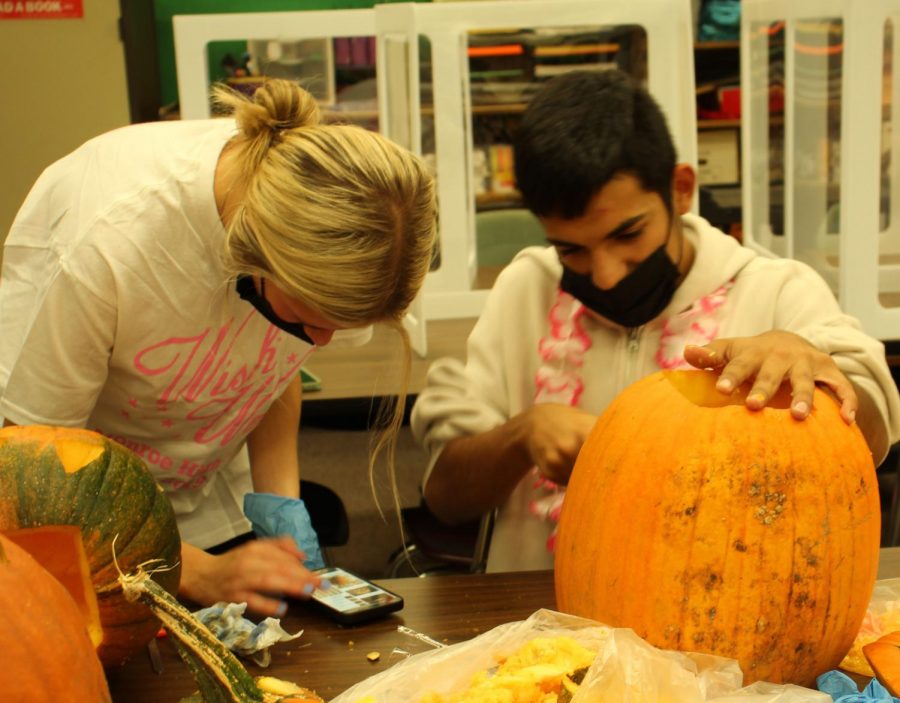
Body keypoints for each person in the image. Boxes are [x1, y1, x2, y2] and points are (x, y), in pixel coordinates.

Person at [410, 69, 900, 573]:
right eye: (570, 249)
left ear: (681, 189)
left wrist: (807, 366)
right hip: (542, 625)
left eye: (628, 235)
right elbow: (446, 499)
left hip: (730, 620)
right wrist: (520, 437)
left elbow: (875, 434)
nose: (604, 276)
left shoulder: (776, 290)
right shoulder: (524, 291)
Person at [0, 79, 437, 614]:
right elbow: (32, 478)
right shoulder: (104, 243)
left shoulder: (337, 221)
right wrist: (194, 570)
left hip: (207, 498)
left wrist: (281, 502)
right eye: (302, 321)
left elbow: (272, 365)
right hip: (75, 516)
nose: (318, 343)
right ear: (251, 249)